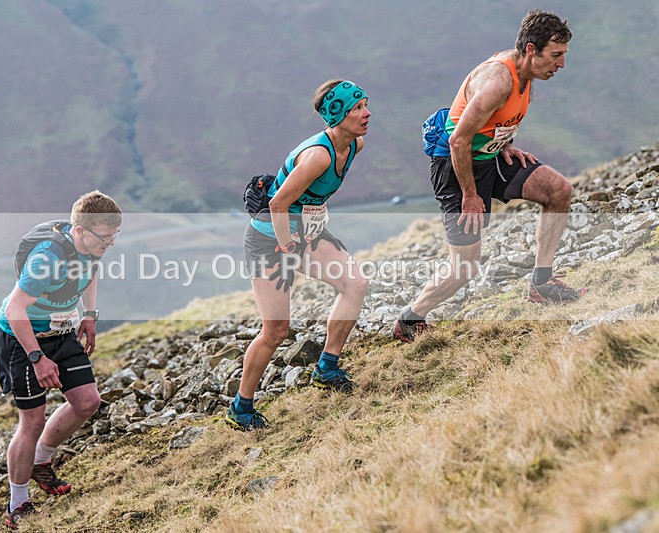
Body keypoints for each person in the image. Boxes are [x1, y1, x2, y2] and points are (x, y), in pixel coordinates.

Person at [394, 10, 586, 343]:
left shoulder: (527, 75)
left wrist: (506, 143)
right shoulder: (498, 81)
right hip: (457, 168)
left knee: (559, 191)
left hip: (491, 156)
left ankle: (541, 284)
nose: (561, 64)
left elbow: (497, 118)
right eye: (555, 56)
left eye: (563, 55)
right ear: (530, 50)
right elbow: (458, 139)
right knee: (465, 266)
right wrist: (470, 195)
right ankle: (409, 320)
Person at [227, 80, 371, 431]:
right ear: (337, 116)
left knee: (355, 283)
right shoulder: (318, 155)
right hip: (269, 241)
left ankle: (327, 367)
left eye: (366, 105)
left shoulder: (355, 144)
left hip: (306, 234)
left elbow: (310, 199)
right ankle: (240, 408)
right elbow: (278, 203)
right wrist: (288, 245)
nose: (367, 114)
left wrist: (312, 227)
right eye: (358, 108)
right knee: (276, 331)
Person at [0, 190, 121, 528]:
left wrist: (89, 314)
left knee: (87, 401)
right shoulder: (47, 259)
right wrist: (37, 357)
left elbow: (92, 269)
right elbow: (14, 308)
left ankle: (40, 461)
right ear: (79, 230)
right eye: (104, 238)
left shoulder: (92, 246)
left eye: (114, 237)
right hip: (21, 338)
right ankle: (17, 504)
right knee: (32, 422)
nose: (109, 244)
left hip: (62, 330)